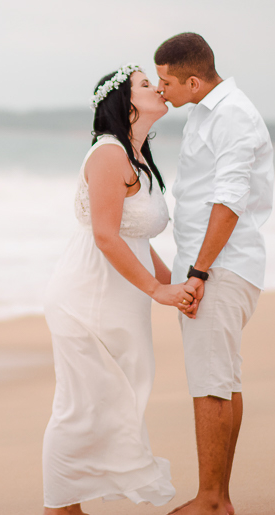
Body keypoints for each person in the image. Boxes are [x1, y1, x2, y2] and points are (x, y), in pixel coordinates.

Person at [42, 64, 196, 515]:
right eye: (148, 84)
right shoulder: (109, 154)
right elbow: (106, 235)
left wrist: (176, 285)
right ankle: (60, 509)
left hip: (119, 299)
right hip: (87, 298)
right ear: (125, 103)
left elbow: (136, 240)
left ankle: (69, 504)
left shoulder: (138, 156)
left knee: (109, 405)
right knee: (80, 406)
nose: (159, 88)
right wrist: (156, 290)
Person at [153, 33, 274, 515]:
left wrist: (199, 272)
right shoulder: (207, 110)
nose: (161, 89)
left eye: (166, 81)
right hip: (212, 263)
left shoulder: (232, 116)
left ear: (194, 79)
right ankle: (218, 496)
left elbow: (229, 201)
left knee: (209, 383)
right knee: (222, 380)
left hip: (219, 266)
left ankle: (210, 500)